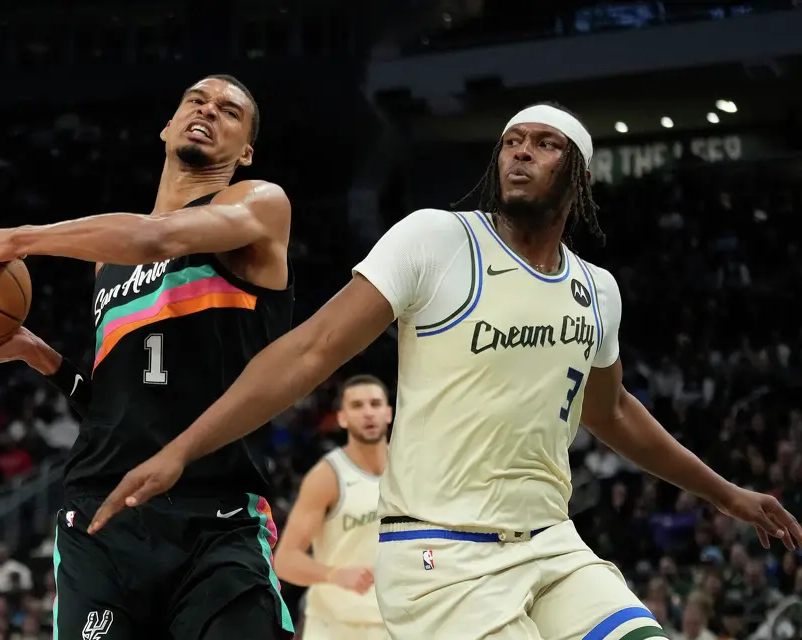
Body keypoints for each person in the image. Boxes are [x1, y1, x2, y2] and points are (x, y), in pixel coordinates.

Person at [87, 102, 802, 640]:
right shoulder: (437, 238)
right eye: (512, 143)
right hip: (440, 557)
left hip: (551, 543)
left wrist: (728, 494)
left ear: (578, 175)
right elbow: (309, 352)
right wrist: (181, 450)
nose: (520, 154)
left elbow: (611, 412)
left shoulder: (597, 288)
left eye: (544, 145)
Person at [0, 74, 295, 640]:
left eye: (229, 110)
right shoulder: (107, 264)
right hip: (102, 514)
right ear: (167, 127)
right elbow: (113, 402)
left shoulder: (260, 205)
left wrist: (16, 239)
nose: (208, 110)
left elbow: (157, 239)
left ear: (245, 150)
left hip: (214, 510)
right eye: (196, 100)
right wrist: (36, 354)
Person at [274, 374, 392, 640]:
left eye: (375, 404)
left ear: (389, 412)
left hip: (395, 624)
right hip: (335, 626)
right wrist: (334, 574)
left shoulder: (407, 470)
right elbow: (284, 560)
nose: (368, 413)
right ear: (341, 417)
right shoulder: (327, 476)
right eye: (357, 406)